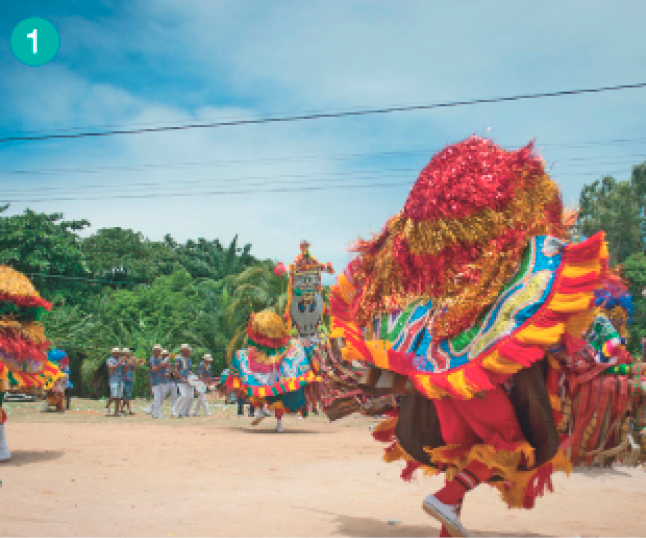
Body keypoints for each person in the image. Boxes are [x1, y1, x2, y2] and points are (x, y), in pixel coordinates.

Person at [322, 136, 640, 536]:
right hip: (473, 384)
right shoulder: (495, 294)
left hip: (435, 383)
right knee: (506, 442)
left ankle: (448, 517)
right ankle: (445, 499)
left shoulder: (429, 308)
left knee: (460, 452)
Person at [226, 310, 320, 433]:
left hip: (273, 371)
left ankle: (262, 411)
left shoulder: (291, 349)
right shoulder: (293, 348)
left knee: (261, 388)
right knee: (275, 395)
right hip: (278, 373)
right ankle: (274, 420)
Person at [174, 344, 194, 418]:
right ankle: (175, 410)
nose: (189, 351)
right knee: (184, 396)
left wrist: (193, 377)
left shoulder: (189, 359)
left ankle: (184, 412)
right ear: (183, 350)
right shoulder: (178, 358)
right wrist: (181, 378)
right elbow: (175, 370)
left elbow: (189, 370)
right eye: (188, 350)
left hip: (188, 380)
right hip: (181, 380)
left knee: (189, 396)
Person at [105, 347, 125, 416]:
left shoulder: (121, 359)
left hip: (121, 379)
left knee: (119, 397)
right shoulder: (110, 360)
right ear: (113, 353)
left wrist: (129, 363)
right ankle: (107, 407)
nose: (117, 353)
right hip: (113, 379)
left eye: (118, 352)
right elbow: (112, 368)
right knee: (114, 395)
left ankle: (116, 412)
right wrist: (120, 362)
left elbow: (125, 369)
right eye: (116, 352)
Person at [161, 349, 179, 417]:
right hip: (164, 382)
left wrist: (173, 373)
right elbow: (162, 373)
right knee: (161, 397)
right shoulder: (161, 363)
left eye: (167, 355)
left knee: (174, 397)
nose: (166, 356)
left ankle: (173, 412)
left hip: (171, 381)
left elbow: (170, 372)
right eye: (165, 355)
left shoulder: (169, 364)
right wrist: (170, 374)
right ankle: (151, 409)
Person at [149, 344, 165, 419]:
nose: (159, 352)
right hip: (154, 381)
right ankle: (156, 414)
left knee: (161, 398)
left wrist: (164, 365)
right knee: (157, 398)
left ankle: (157, 413)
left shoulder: (160, 359)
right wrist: (160, 366)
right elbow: (154, 369)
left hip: (161, 380)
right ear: (155, 351)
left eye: (159, 351)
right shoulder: (152, 359)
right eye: (158, 351)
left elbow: (163, 369)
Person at [120, 348, 137, 416]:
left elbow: (135, 369)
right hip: (124, 379)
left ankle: (121, 408)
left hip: (130, 379)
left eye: (128, 352)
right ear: (123, 353)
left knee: (127, 395)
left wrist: (135, 362)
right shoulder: (122, 360)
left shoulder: (129, 360)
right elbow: (124, 368)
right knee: (127, 394)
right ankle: (130, 410)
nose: (128, 353)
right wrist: (129, 362)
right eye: (126, 352)